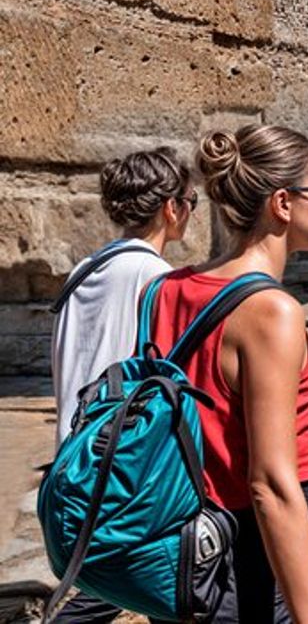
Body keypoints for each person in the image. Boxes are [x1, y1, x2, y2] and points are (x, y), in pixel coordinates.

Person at [147, 125, 308, 623]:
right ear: (283, 203)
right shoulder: (273, 312)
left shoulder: (167, 289)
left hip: (179, 548)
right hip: (242, 560)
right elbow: (270, 485)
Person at [51, 147, 196, 445]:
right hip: (115, 457)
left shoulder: (85, 267)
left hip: (71, 451)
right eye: (191, 201)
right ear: (171, 207)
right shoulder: (154, 275)